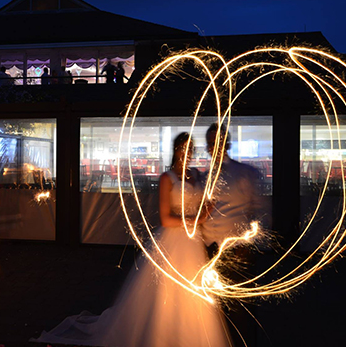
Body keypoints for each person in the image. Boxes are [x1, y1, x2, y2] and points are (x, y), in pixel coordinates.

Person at [32, 133, 230, 347]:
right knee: (167, 290)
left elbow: (203, 199)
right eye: (184, 148)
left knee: (192, 290)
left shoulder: (196, 175)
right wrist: (196, 219)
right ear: (176, 150)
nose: (188, 152)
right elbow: (165, 218)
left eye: (191, 148)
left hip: (193, 243)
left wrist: (210, 206)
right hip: (174, 240)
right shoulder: (167, 178)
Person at [202, 123, 264, 346]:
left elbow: (258, 212)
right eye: (209, 143)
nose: (212, 147)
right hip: (210, 249)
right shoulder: (204, 176)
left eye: (217, 141)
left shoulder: (245, 173)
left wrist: (248, 244)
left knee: (240, 309)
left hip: (236, 249)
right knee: (214, 308)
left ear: (227, 144)